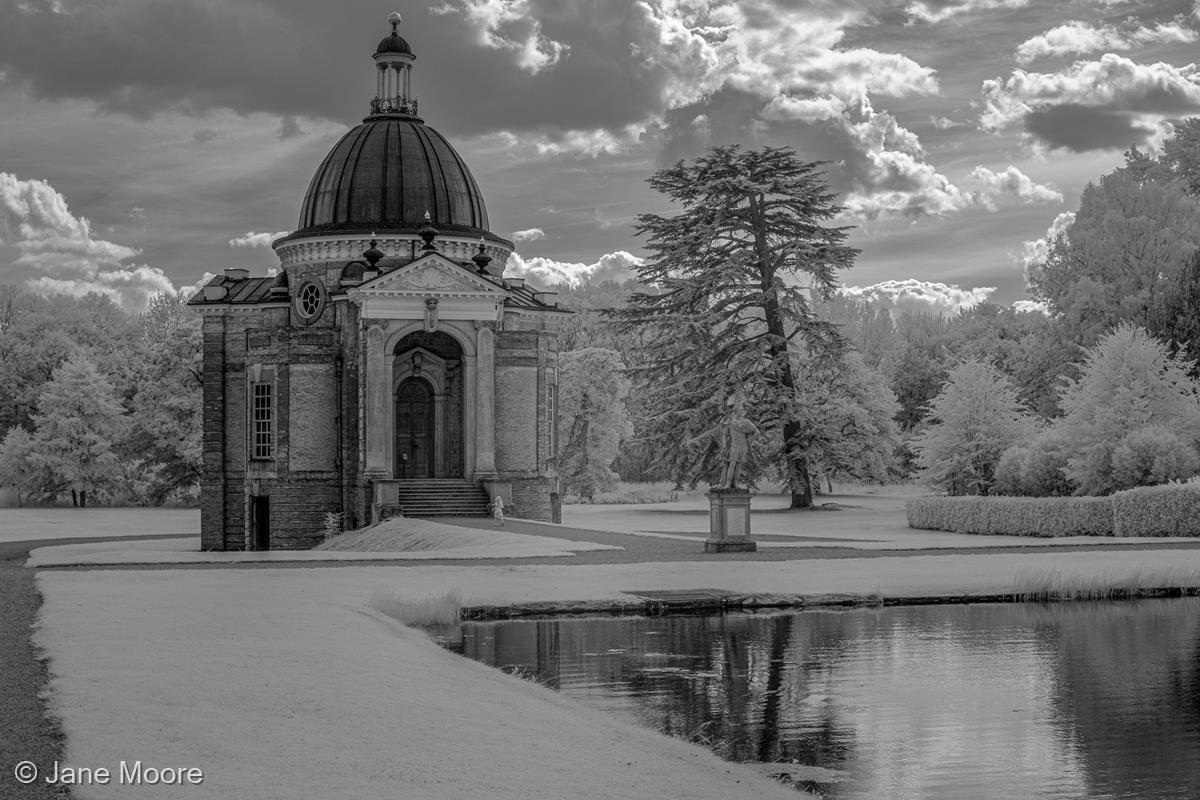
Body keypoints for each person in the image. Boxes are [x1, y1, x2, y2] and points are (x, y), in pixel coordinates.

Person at [720, 400, 759, 490]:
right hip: (733, 445)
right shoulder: (729, 422)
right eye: (740, 410)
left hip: (743, 445)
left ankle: (735, 483)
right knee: (732, 463)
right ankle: (728, 483)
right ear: (735, 411)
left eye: (742, 410)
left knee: (739, 465)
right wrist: (724, 445)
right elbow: (725, 435)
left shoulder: (746, 422)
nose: (741, 411)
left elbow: (757, 432)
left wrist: (748, 441)